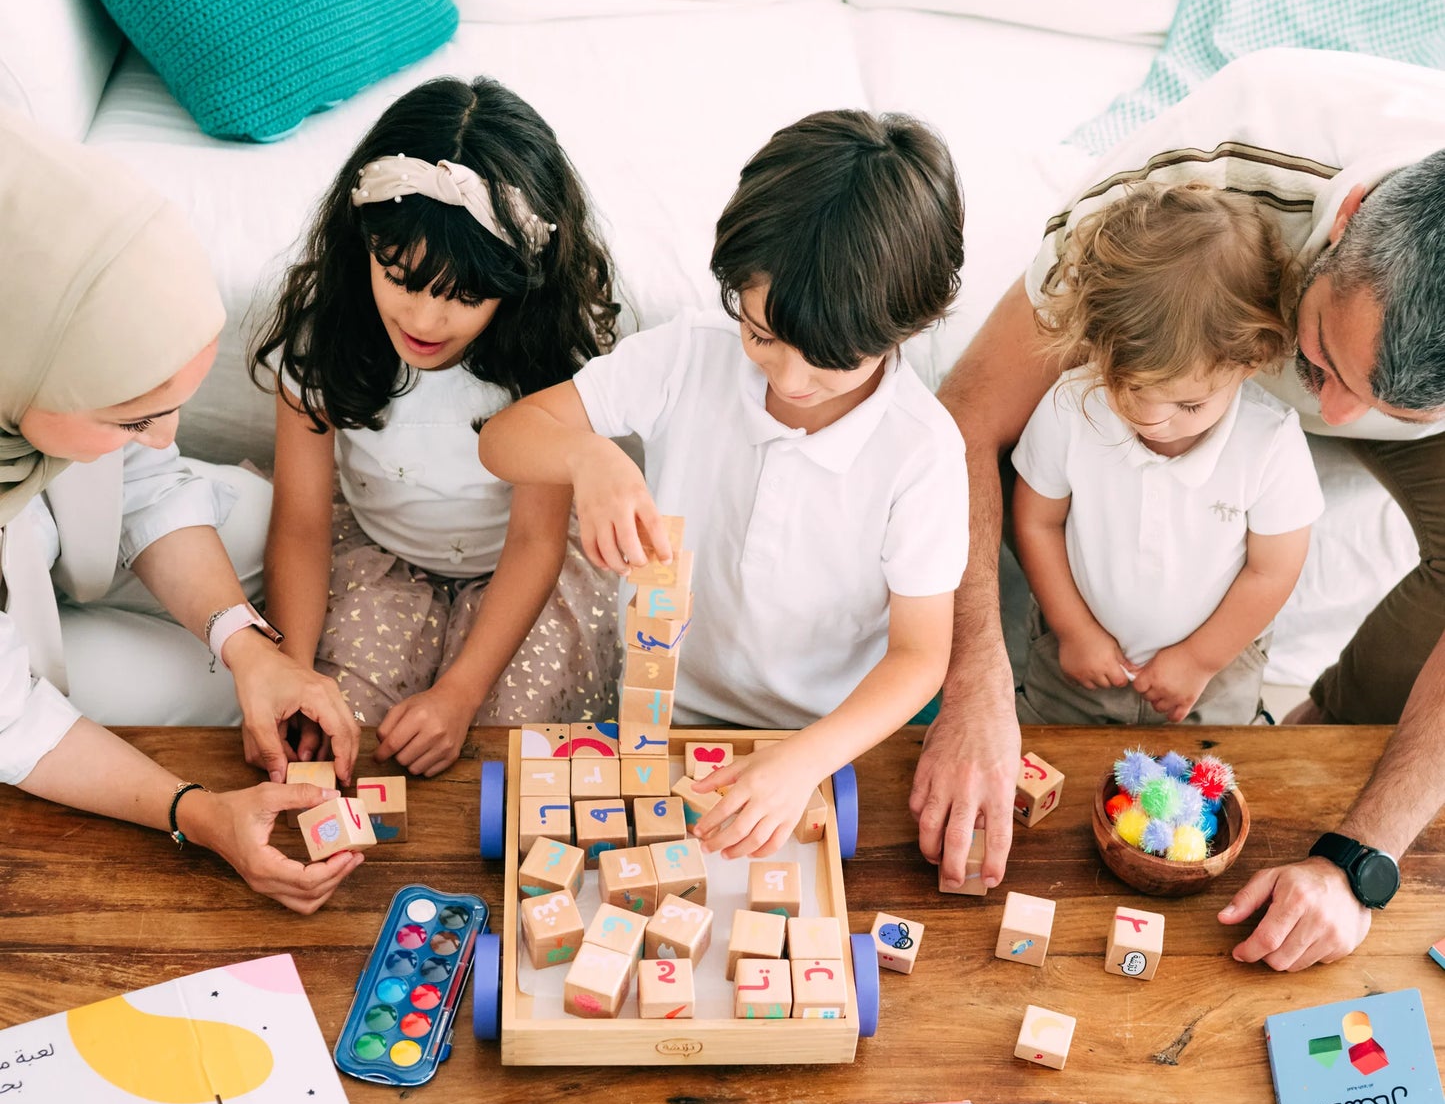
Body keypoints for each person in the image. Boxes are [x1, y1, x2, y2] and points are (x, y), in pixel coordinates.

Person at [912, 48, 1445, 968]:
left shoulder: (1278, 443)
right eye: (1320, 355)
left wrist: (1359, 859)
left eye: (1387, 408)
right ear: (1346, 217)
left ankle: (1312, 734)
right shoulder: (1210, 167)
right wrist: (973, 683)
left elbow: (1278, 553)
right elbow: (963, 423)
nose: (1334, 416)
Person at [479, 109, 969, 857]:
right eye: (762, 334)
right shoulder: (690, 355)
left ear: (904, 326)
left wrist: (802, 760)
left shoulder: (922, 448)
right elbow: (503, 440)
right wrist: (590, 458)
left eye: (830, 359)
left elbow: (919, 656)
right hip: (666, 710)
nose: (790, 377)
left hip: (822, 741)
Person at [1, 108, 360, 914]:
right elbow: (13, 720)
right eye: (134, 419)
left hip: (56, 534)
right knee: (205, 703)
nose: (166, 439)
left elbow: (148, 482)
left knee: (261, 556)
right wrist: (199, 816)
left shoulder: (35, 307)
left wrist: (250, 646)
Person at [253, 76, 622, 777]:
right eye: (398, 276)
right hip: (377, 556)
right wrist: (292, 671)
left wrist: (458, 691)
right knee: (337, 733)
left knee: (508, 748)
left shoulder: (545, 360)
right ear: (361, 242)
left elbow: (535, 537)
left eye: (464, 296)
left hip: (521, 570)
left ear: (519, 286)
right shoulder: (322, 339)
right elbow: (299, 522)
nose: (424, 321)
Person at [1013, 183, 1322, 726]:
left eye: (1189, 404)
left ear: (1251, 361)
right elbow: (1038, 523)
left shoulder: (1269, 443)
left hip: (1213, 671)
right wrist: (1073, 629)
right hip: (1078, 658)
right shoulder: (1069, 407)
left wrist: (1200, 659)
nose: (1150, 420)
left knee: (1212, 787)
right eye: (1127, 389)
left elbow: (1272, 571)